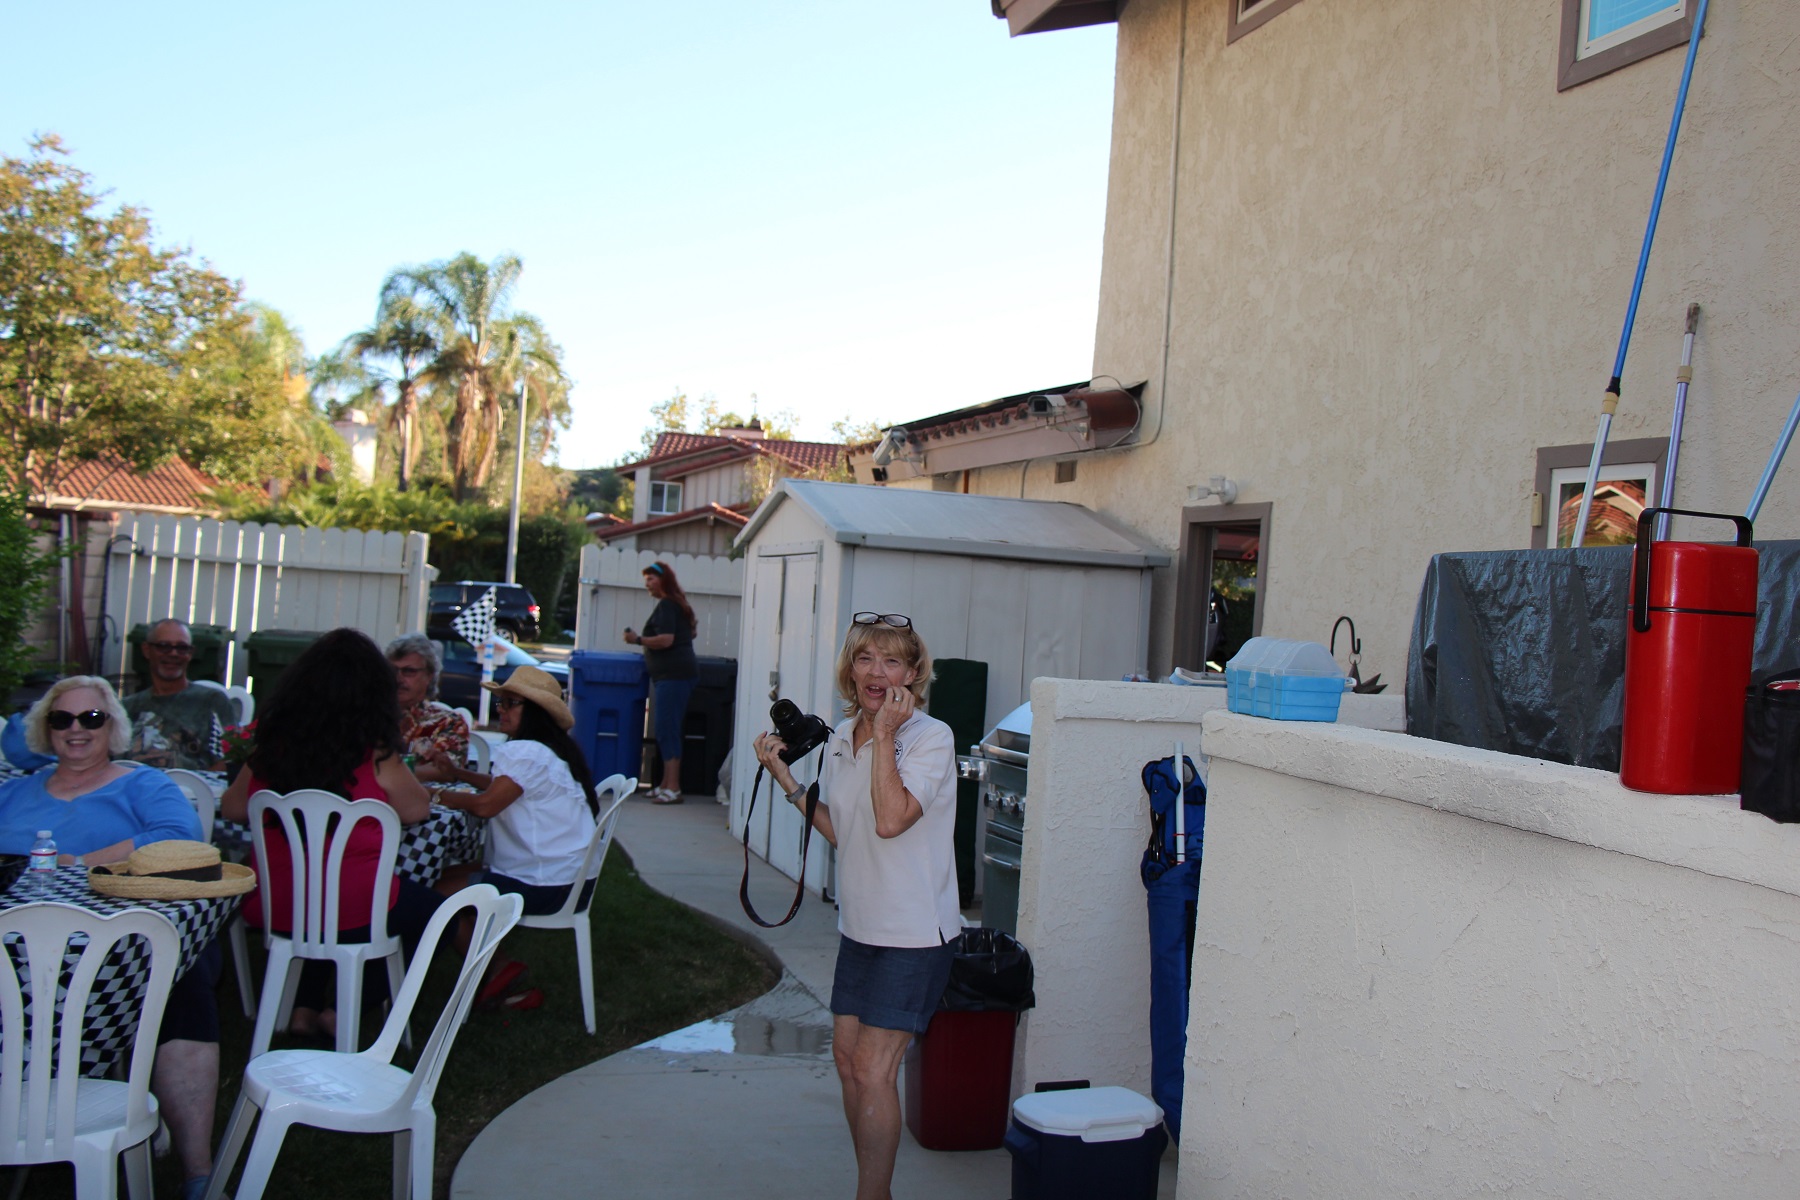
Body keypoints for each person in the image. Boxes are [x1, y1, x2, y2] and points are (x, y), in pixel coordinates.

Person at [752, 612, 958, 1200]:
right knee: (848, 1061)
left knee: (874, 1070)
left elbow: (891, 820)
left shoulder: (929, 737)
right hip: (861, 926)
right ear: (851, 669)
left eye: (892, 660)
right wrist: (787, 779)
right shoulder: (842, 736)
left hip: (916, 932)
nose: (876, 671)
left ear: (914, 674)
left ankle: (872, 1196)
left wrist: (888, 736)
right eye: (865, 658)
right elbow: (846, 831)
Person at [0, 676, 223, 1200]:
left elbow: (178, 840)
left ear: (113, 727)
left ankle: (198, 1171)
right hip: (15, 950)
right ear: (45, 729)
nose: (76, 730)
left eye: (91, 719)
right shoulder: (13, 791)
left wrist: (76, 862)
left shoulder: (143, 784)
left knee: (179, 981)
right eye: (62, 719)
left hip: (119, 950)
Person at [221, 627, 442, 1044]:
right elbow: (417, 809)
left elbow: (233, 808)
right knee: (434, 915)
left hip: (276, 905)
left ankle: (304, 1007)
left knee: (319, 899)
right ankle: (346, 1009)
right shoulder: (375, 753)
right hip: (354, 908)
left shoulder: (271, 747)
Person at [421, 664, 600, 1008]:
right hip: (568, 879)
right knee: (441, 878)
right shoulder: (547, 750)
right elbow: (503, 789)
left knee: (433, 894)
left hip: (545, 884)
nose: (500, 710)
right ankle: (498, 972)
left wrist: (433, 794)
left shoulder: (527, 751)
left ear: (533, 711)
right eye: (501, 703)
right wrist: (457, 773)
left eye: (510, 703)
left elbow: (487, 805)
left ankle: (494, 969)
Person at [623, 561, 697, 804]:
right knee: (666, 729)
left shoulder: (667, 605)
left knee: (668, 730)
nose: (647, 584)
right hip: (673, 676)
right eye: (646, 580)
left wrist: (637, 639)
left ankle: (673, 788)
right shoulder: (676, 605)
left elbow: (666, 640)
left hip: (674, 677)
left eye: (651, 579)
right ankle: (664, 784)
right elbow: (689, 634)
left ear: (663, 580)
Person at [122, 618, 236, 769]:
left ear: (191, 653)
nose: (174, 653)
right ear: (146, 650)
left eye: (182, 648)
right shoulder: (126, 708)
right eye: (164, 646)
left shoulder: (212, 701)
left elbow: (232, 758)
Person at [386, 632, 469, 784]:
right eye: (392, 670)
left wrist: (384, 773)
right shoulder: (370, 717)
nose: (398, 679)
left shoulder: (447, 722)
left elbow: (447, 772)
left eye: (409, 671)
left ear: (429, 675)